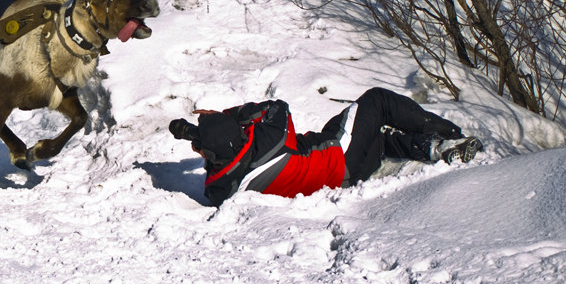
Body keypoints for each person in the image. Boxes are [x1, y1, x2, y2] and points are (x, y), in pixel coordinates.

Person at [168, 87, 484, 206]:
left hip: (340, 176)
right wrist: (231, 115)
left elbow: (219, 160)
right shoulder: (269, 140)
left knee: (379, 140)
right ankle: (451, 134)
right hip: (338, 154)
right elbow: (277, 107)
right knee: (377, 102)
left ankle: (434, 149)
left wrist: (200, 138)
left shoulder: (221, 188)